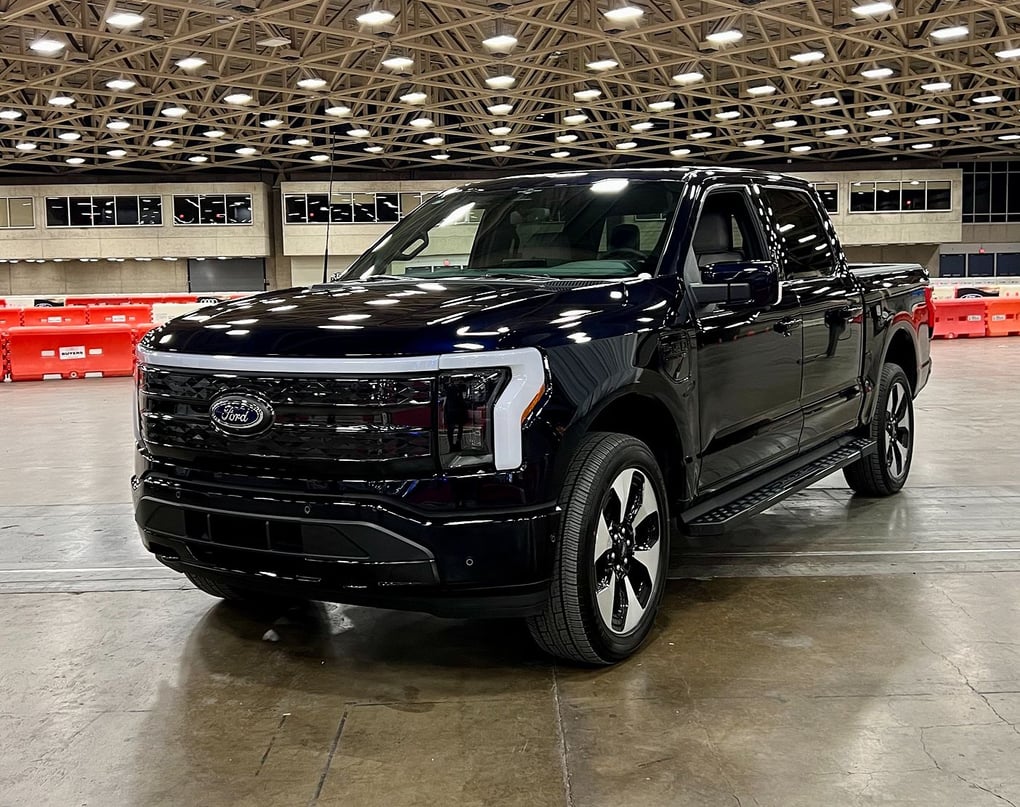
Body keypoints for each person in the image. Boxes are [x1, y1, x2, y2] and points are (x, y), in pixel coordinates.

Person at [444, 382, 469, 451]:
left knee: (450, 429)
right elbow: (462, 403)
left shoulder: (449, 393)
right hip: (458, 411)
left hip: (451, 411)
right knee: (460, 427)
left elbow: (446, 405)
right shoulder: (459, 392)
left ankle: (451, 444)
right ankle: (458, 442)